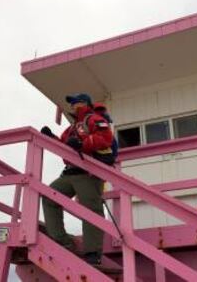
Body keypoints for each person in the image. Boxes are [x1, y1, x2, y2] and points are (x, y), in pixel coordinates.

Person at [41, 93, 114, 266]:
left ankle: (93, 253)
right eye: (72, 103)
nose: (74, 105)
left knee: (91, 210)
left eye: (77, 102)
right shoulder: (73, 127)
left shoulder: (94, 119)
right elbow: (65, 144)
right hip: (70, 172)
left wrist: (83, 144)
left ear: (87, 103)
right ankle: (62, 240)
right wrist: (50, 137)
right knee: (49, 196)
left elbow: (106, 138)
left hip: (88, 172)